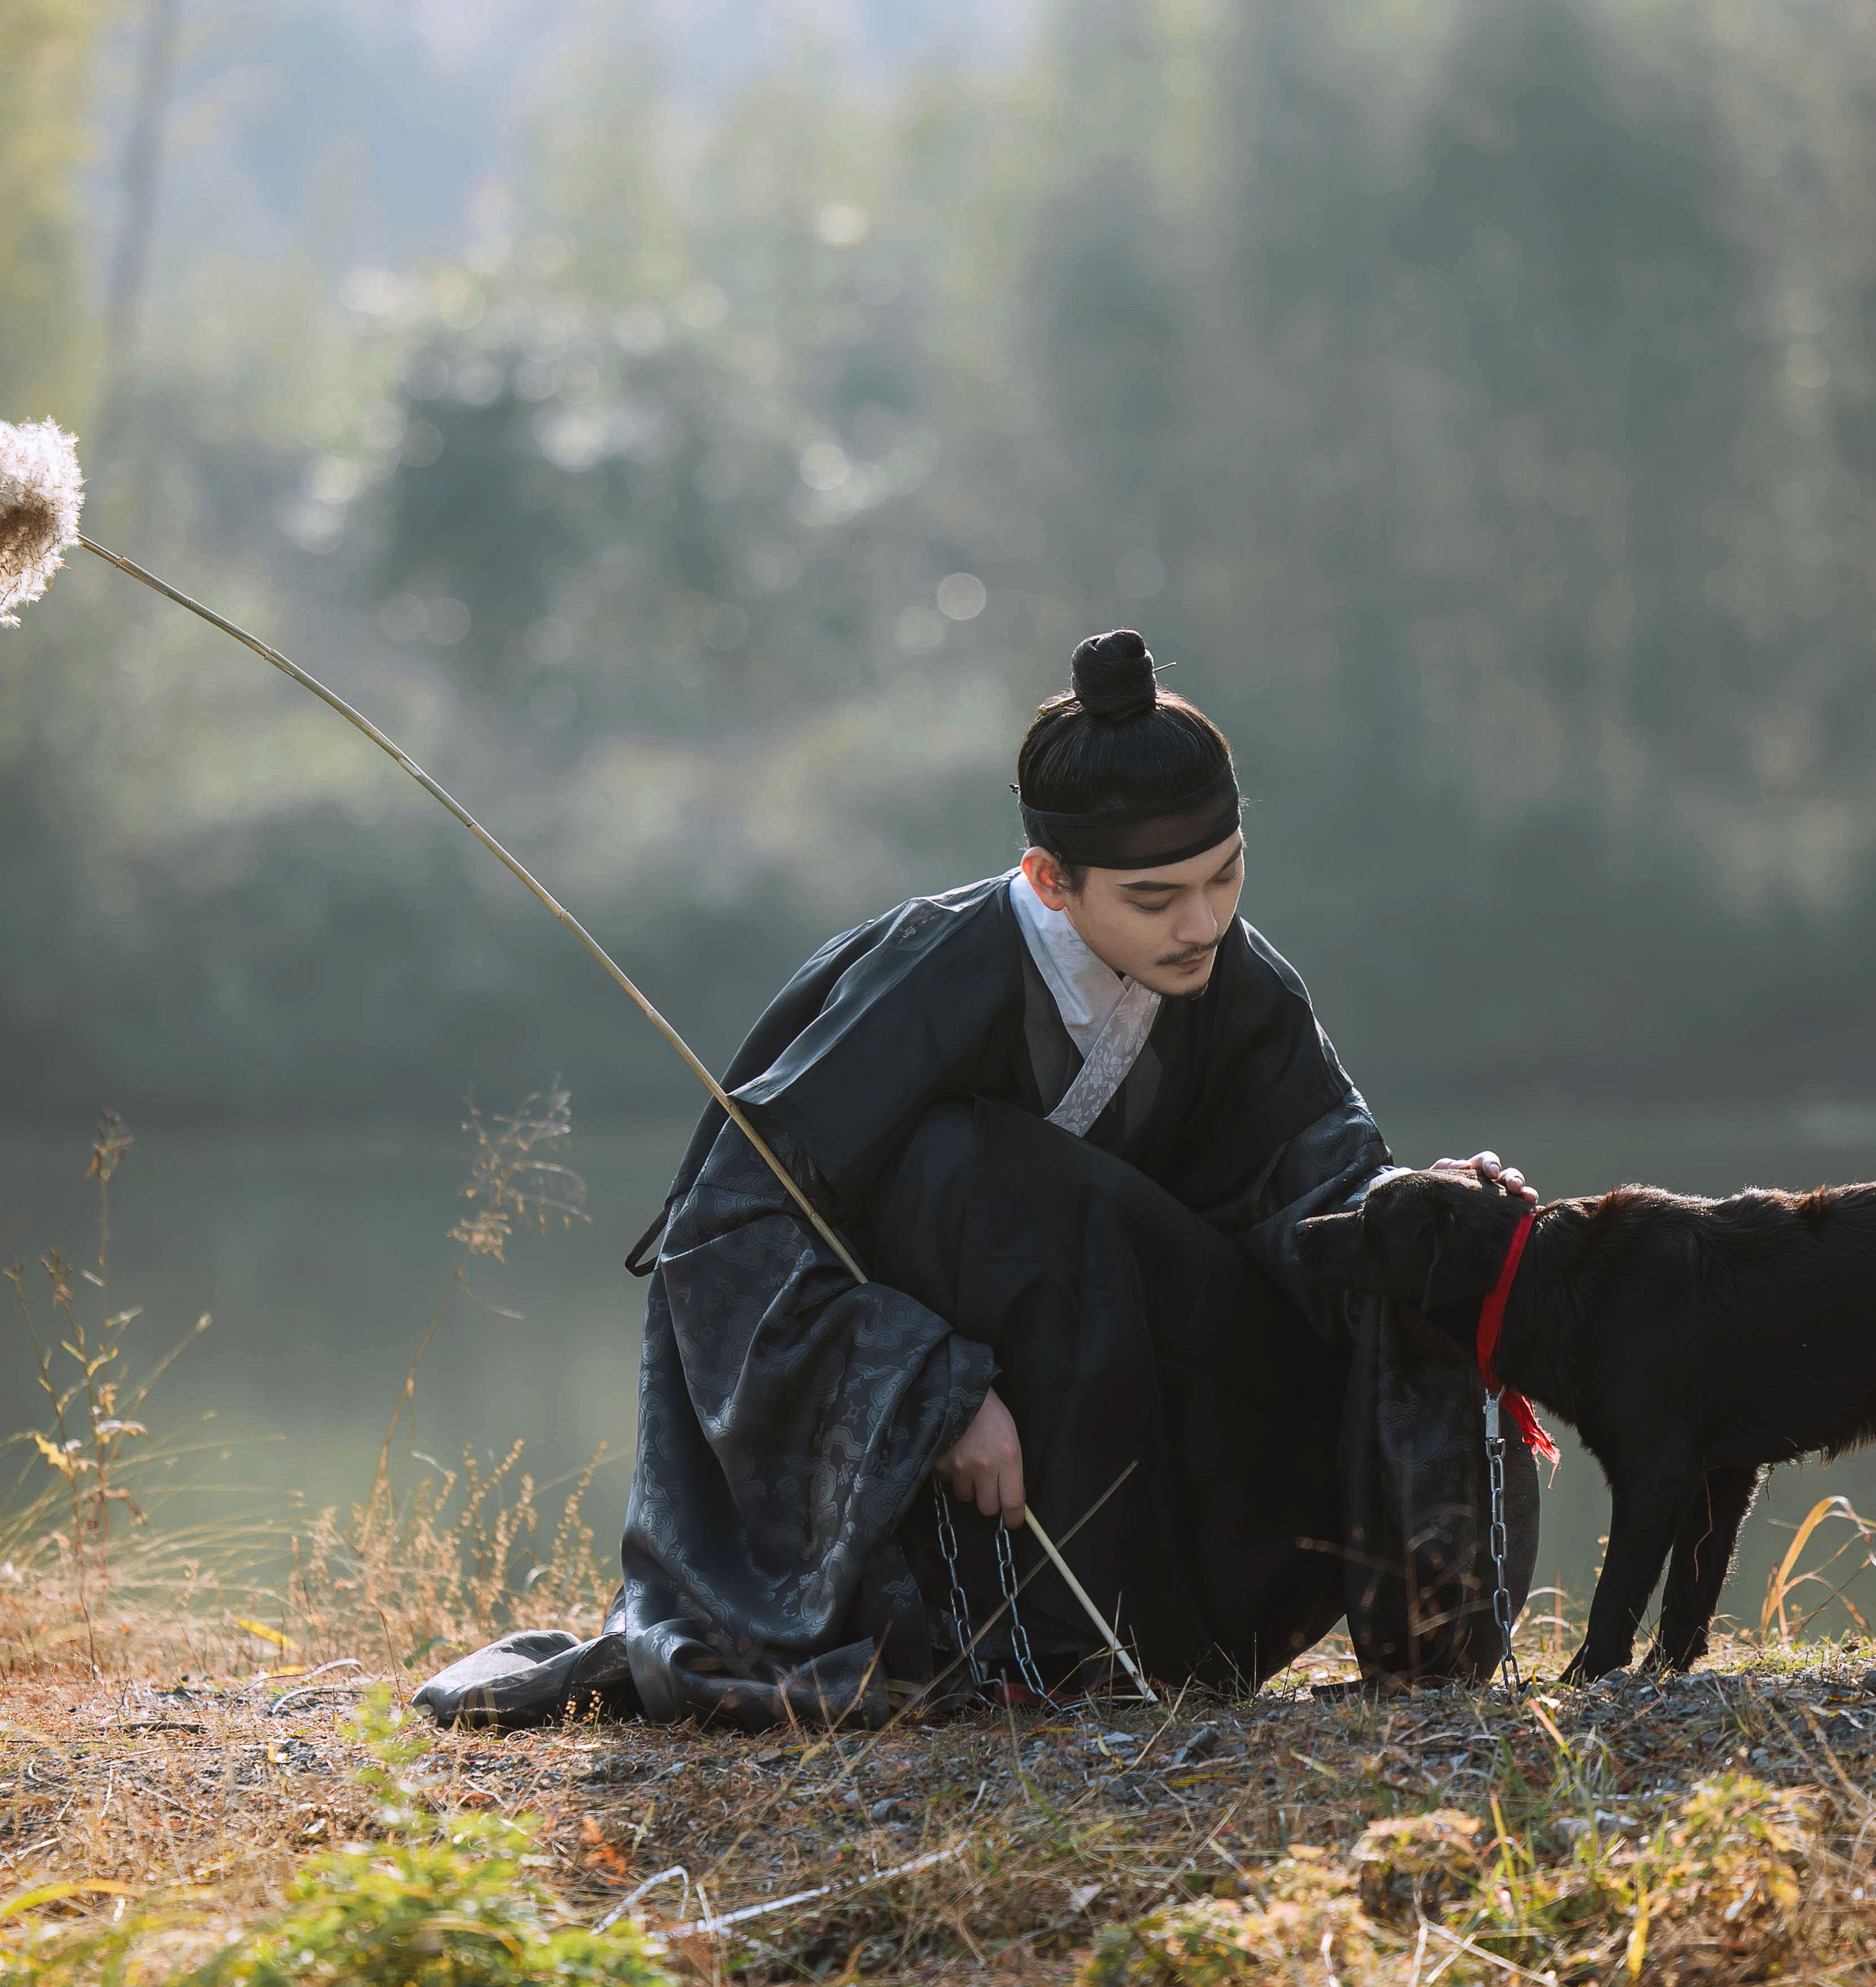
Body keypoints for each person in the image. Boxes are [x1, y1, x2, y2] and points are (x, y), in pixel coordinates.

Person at [417, 629, 1539, 1728]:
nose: (1201, 925)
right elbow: (728, 1230)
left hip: (1144, 1408)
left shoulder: (1243, 988)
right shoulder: (922, 979)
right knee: (977, 1165)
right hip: (944, 1427)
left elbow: (1316, 1188)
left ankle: (1163, 1638)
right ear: (1049, 879)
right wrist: (926, 1391)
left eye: (1225, 876)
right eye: (1154, 898)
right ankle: (1002, 1633)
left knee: (1404, 1254)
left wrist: (1413, 1207)